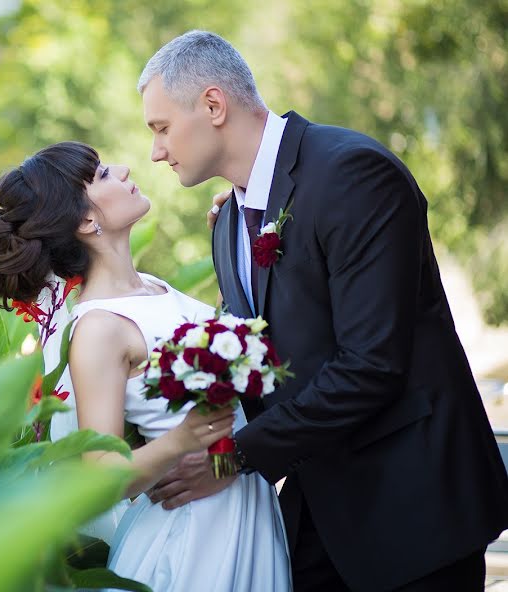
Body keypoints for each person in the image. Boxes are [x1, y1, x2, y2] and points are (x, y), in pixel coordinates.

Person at [139, 30, 508, 592]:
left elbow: (371, 365)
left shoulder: (353, 175)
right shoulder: (228, 223)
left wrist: (231, 458)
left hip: (414, 509)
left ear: (213, 105)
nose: (156, 151)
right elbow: (260, 360)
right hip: (321, 509)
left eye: (161, 128)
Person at [0, 141, 291, 591]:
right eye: (101, 175)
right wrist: (181, 440)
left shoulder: (154, 288)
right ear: (85, 220)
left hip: (241, 505)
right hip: (192, 535)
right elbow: (100, 473)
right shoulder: (99, 327)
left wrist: (233, 238)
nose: (121, 170)